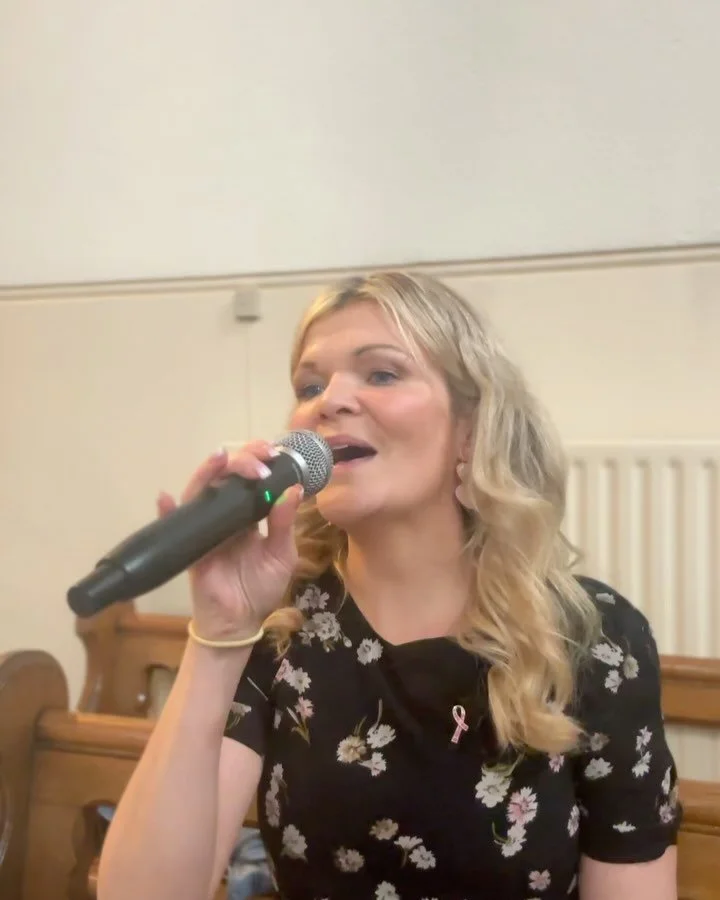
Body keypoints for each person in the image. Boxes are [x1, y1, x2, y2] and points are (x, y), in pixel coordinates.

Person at [97, 271, 681, 900]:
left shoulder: (589, 636)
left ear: (470, 429)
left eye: (380, 374)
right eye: (310, 385)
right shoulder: (281, 629)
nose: (329, 400)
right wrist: (220, 632)